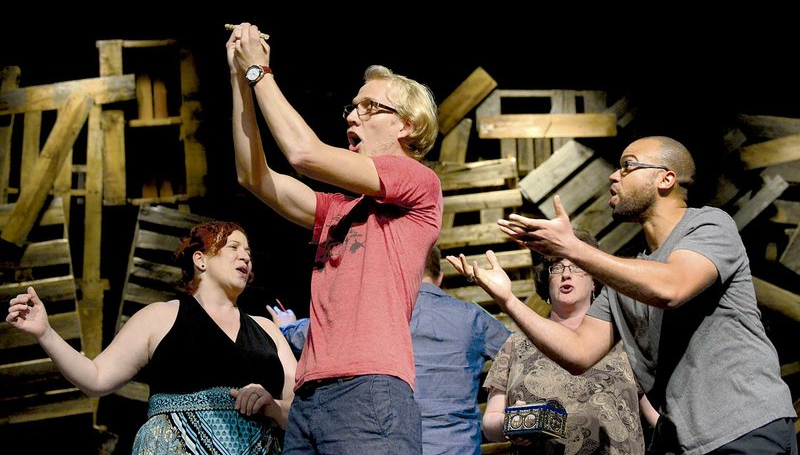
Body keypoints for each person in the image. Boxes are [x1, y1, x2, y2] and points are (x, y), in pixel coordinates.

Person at [448, 136, 798, 454]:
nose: (614, 176)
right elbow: (579, 352)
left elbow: (672, 287)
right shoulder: (626, 276)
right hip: (686, 442)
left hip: (745, 428)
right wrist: (508, 300)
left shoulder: (709, 226)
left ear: (666, 179)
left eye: (628, 166)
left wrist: (574, 248)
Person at [227, 23, 443, 453]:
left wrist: (259, 72)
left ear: (406, 125)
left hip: (369, 391)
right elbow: (252, 176)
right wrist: (239, 77)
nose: (351, 115)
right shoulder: (338, 209)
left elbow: (303, 154)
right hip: (310, 396)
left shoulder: (417, 179)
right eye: (352, 106)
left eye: (369, 107)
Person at [6, 221, 297, 454]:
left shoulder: (268, 330)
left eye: (248, 250)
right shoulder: (160, 317)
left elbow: (302, 407)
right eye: (233, 246)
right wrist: (46, 332)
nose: (245, 255)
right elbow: (95, 378)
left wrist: (274, 406)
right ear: (201, 259)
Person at [268, 245, 512, 455]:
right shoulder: (472, 318)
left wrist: (289, 327)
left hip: (387, 442)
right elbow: (521, 352)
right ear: (439, 278)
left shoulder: (374, 310)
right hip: (456, 446)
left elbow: (315, 334)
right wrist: (497, 398)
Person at [482, 229, 645, 454]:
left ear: (595, 281)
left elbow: (656, 413)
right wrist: (512, 422)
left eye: (577, 266)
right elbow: (490, 422)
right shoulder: (517, 344)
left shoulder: (621, 338)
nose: (566, 274)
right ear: (546, 281)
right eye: (557, 267)